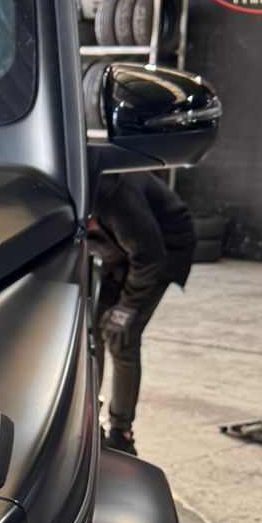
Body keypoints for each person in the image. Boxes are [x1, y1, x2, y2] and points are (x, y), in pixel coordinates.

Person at [89, 168, 196, 456]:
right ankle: (87, 421)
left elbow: (150, 258)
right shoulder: (67, 194)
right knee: (91, 334)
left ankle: (121, 433)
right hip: (117, 254)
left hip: (161, 253)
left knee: (120, 337)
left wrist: (127, 308)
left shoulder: (117, 198)